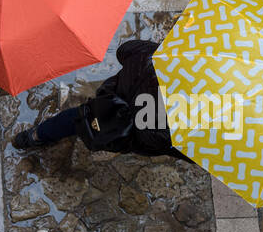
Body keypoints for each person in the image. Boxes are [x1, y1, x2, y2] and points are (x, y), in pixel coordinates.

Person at [10, 39, 190, 161]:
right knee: (87, 125)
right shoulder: (183, 127)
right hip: (122, 131)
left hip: (108, 100)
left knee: (76, 118)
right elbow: (154, 143)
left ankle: (34, 136)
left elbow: (124, 50)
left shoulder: (159, 57)